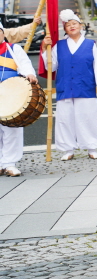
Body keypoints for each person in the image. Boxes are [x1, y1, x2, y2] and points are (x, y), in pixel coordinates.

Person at [42, 10, 97, 161]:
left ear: (80, 26)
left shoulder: (90, 44)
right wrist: (46, 49)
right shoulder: (59, 45)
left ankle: (92, 147)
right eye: (68, 25)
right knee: (65, 118)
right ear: (65, 29)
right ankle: (68, 149)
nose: (72, 27)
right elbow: (52, 66)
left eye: (74, 24)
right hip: (65, 86)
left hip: (85, 86)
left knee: (87, 117)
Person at [0, 21, 38, 177]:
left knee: (11, 129)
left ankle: (9, 163)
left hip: (11, 95)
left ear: (3, 33)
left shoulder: (14, 49)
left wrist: (30, 74)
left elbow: (25, 64)